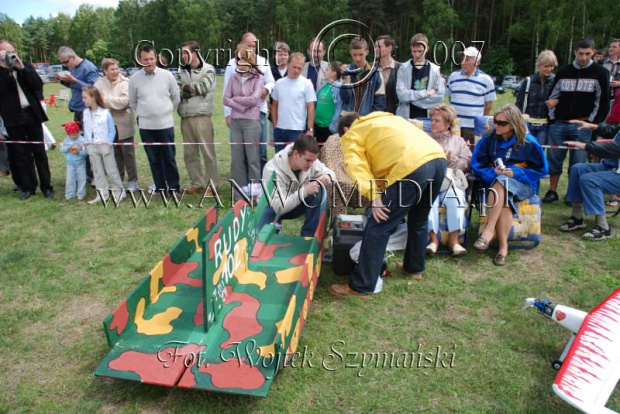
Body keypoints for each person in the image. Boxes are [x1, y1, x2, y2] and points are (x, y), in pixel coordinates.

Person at [330, 112, 447, 298]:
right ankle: (414, 269)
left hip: (412, 166)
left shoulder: (352, 134)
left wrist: (375, 197)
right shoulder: (383, 118)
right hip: (438, 159)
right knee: (418, 219)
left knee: (378, 226)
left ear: (345, 129)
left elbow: (357, 166)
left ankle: (361, 287)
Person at [472, 104, 548, 266]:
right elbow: (477, 164)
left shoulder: (529, 143)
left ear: (513, 124)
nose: (496, 126)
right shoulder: (489, 139)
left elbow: (542, 169)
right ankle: (503, 248)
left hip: (522, 184)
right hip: (494, 182)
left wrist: (517, 173)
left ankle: (489, 230)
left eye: (502, 123)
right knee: (504, 197)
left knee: (503, 183)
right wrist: (493, 172)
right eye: (495, 121)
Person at [543, 38, 610, 203]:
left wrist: (592, 124)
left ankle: (572, 195)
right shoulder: (564, 71)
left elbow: (602, 102)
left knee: (578, 162)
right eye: (581, 53)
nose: (584, 57)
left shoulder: (600, 73)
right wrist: (552, 118)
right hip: (559, 123)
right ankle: (552, 191)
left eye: (588, 54)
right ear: (575, 52)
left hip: (583, 125)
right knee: (554, 158)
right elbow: (553, 95)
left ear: (593, 52)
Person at [0, 39, 54, 200]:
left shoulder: (26, 67)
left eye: (10, 52)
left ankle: (47, 187)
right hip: (12, 118)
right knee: (21, 154)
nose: (9, 56)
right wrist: (4, 69)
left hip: (31, 114)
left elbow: (37, 85)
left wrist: (22, 68)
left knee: (39, 152)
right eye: (4, 53)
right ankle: (29, 187)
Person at [129, 43, 181, 194]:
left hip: (165, 125)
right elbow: (133, 101)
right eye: (145, 59)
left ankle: (173, 187)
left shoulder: (167, 76)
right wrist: (145, 113)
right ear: (140, 60)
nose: (149, 62)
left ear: (156, 58)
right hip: (146, 127)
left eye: (151, 58)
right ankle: (160, 187)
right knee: (154, 159)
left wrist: (165, 111)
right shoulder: (134, 79)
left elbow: (176, 97)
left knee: (169, 158)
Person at [258, 135, 334, 237]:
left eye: (313, 161)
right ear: (295, 154)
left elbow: (331, 173)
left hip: (295, 204)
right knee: (259, 242)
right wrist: (305, 191)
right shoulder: (272, 169)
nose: (311, 164)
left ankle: (309, 238)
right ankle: (274, 228)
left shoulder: (311, 160)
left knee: (319, 190)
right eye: (308, 160)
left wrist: (327, 177)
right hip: (272, 207)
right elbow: (279, 207)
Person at [559, 120, 620, 240]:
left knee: (589, 180)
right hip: (612, 166)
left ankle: (603, 228)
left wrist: (586, 146)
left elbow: (615, 148)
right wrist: (594, 127)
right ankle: (577, 217)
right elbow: (614, 130)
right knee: (577, 169)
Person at [223, 33, 275, 172]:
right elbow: (226, 91)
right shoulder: (232, 63)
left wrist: (266, 89)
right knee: (242, 152)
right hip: (238, 115)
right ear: (242, 45)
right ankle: (245, 185)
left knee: (261, 150)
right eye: (249, 46)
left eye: (254, 46)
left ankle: (262, 183)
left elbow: (271, 81)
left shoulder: (263, 61)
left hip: (260, 112)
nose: (252, 48)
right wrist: (228, 114)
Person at [426, 104, 472, 256]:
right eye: (431, 120)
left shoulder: (458, 141)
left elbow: (467, 163)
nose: (432, 123)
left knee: (456, 197)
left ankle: (454, 242)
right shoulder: (424, 139)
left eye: (436, 120)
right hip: (430, 181)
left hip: (451, 181)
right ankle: (433, 241)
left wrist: (451, 159)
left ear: (447, 124)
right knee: (427, 200)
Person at [178, 40, 220, 195]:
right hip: (185, 116)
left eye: (185, 52)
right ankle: (197, 182)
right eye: (182, 53)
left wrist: (184, 88)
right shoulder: (181, 71)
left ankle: (213, 185)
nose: (182, 56)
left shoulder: (208, 69)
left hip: (202, 116)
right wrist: (189, 90)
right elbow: (176, 90)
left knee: (208, 152)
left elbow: (203, 88)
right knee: (190, 153)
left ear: (195, 52)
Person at [223, 47, 264, 200]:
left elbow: (255, 100)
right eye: (238, 59)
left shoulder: (259, 78)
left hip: (252, 123)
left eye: (243, 59)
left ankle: (254, 195)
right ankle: (238, 196)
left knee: (253, 159)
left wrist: (235, 101)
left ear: (250, 61)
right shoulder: (233, 77)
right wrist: (242, 105)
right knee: (237, 160)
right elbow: (225, 99)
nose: (240, 62)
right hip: (235, 123)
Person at [95, 58, 138, 191]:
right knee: (114, 154)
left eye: (116, 68)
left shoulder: (126, 82)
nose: (115, 71)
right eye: (112, 69)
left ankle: (132, 181)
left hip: (124, 123)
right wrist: (112, 102)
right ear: (105, 71)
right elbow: (96, 101)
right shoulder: (98, 84)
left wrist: (106, 100)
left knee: (128, 153)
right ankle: (118, 180)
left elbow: (124, 102)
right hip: (107, 125)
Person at [82, 86, 124, 204]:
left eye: (85, 97)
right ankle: (102, 194)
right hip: (92, 146)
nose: (83, 100)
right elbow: (86, 130)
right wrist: (86, 142)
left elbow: (112, 130)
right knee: (97, 171)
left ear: (93, 98)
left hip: (105, 146)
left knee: (111, 170)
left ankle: (119, 192)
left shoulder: (106, 113)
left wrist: (108, 142)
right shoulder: (85, 113)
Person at [446, 46, 496, 144]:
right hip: (454, 124)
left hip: (473, 126)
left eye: (467, 59)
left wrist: (480, 121)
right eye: (463, 59)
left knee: (471, 153)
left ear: (476, 62)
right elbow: (450, 97)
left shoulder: (486, 79)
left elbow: (489, 104)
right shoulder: (453, 77)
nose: (463, 62)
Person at [271, 52, 317, 153]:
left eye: (300, 68)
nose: (296, 70)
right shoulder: (279, 83)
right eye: (294, 67)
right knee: (279, 160)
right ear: (288, 64)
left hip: (296, 131)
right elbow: (274, 106)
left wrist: (310, 129)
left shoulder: (307, 84)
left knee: (295, 161)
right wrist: (275, 126)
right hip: (279, 130)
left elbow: (311, 107)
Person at [395, 33, 444, 120]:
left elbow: (438, 97)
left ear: (427, 49)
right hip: (406, 118)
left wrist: (410, 98)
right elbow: (401, 96)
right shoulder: (403, 69)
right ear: (411, 49)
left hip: (428, 119)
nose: (417, 55)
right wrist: (426, 93)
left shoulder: (434, 70)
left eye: (420, 51)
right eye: (414, 51)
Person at [515, 50, 558, 146]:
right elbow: (519, 103)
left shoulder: (555, 81)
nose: (549, 69)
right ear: (539, 65)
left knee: (538, 152)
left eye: (552, 66)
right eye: (546, 66)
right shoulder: (528, 81)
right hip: (527, 124)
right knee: (524, 150)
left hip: (545, 125)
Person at [340, 38, 386, 116]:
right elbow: (344, 98)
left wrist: (369, 118)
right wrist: (346, 80)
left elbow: (379, 103)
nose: (357, 59)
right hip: (347, 119)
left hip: (366, 120)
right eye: (354, 55)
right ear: (350, 53)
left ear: (367, 52)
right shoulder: (345, 71)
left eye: (361, 55)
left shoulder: (376, 74)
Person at [314, 61, 342, 144]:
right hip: (318, 126)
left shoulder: (339, 87)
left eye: (327, 69)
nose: (324, 71)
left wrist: (332, 127)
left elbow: (339, 108)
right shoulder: (323, 87)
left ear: (334, 73)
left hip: (329, 128)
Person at [59, 121, 87, 200]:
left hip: (81, 163)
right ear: (68, 134)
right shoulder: (66, 140)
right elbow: (61, 149)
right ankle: (69, 194)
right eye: (71, 135)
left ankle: (81, 194)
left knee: (82, 179)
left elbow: (86, 152)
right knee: (70, 179)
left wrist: (79, 152)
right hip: (70, 164)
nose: (73, 136)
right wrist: (67, 148)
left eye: (75, 134)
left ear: (79, 132)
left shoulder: (82, 140)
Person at [375, 35, 401, 114]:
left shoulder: (401, 69)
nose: (376, 49)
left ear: (389, 48)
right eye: (375, 46)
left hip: (394, 115)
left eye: (379, 46)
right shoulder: (371, 68)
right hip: (374, 114)